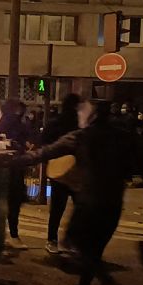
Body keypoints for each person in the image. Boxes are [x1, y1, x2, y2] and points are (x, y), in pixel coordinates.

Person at [4, 100, 133, 285]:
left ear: (92, 116)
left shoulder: (81, 137)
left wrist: (13, 161)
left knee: (76, 242)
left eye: (83, 112)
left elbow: (46, 152)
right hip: (114, 199)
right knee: (96, 245)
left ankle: (106, 282)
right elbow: (142, 163)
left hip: (89, 199)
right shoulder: (125, 136)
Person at [42, 93, 81, 254]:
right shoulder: (80, 124)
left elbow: (44, 142)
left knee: (58, 208)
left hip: (58, 168)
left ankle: (52, 240)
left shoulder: (55, 122)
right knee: (78, 207)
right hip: (76, 170)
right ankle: (68, 240)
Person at [0, 99, 32, 250]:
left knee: (3, 204)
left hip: (4, 169)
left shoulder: (0, 123)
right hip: (13, 169)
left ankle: (2, 235)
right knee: (13, 204)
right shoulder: (14, 123)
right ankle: (12, 235)